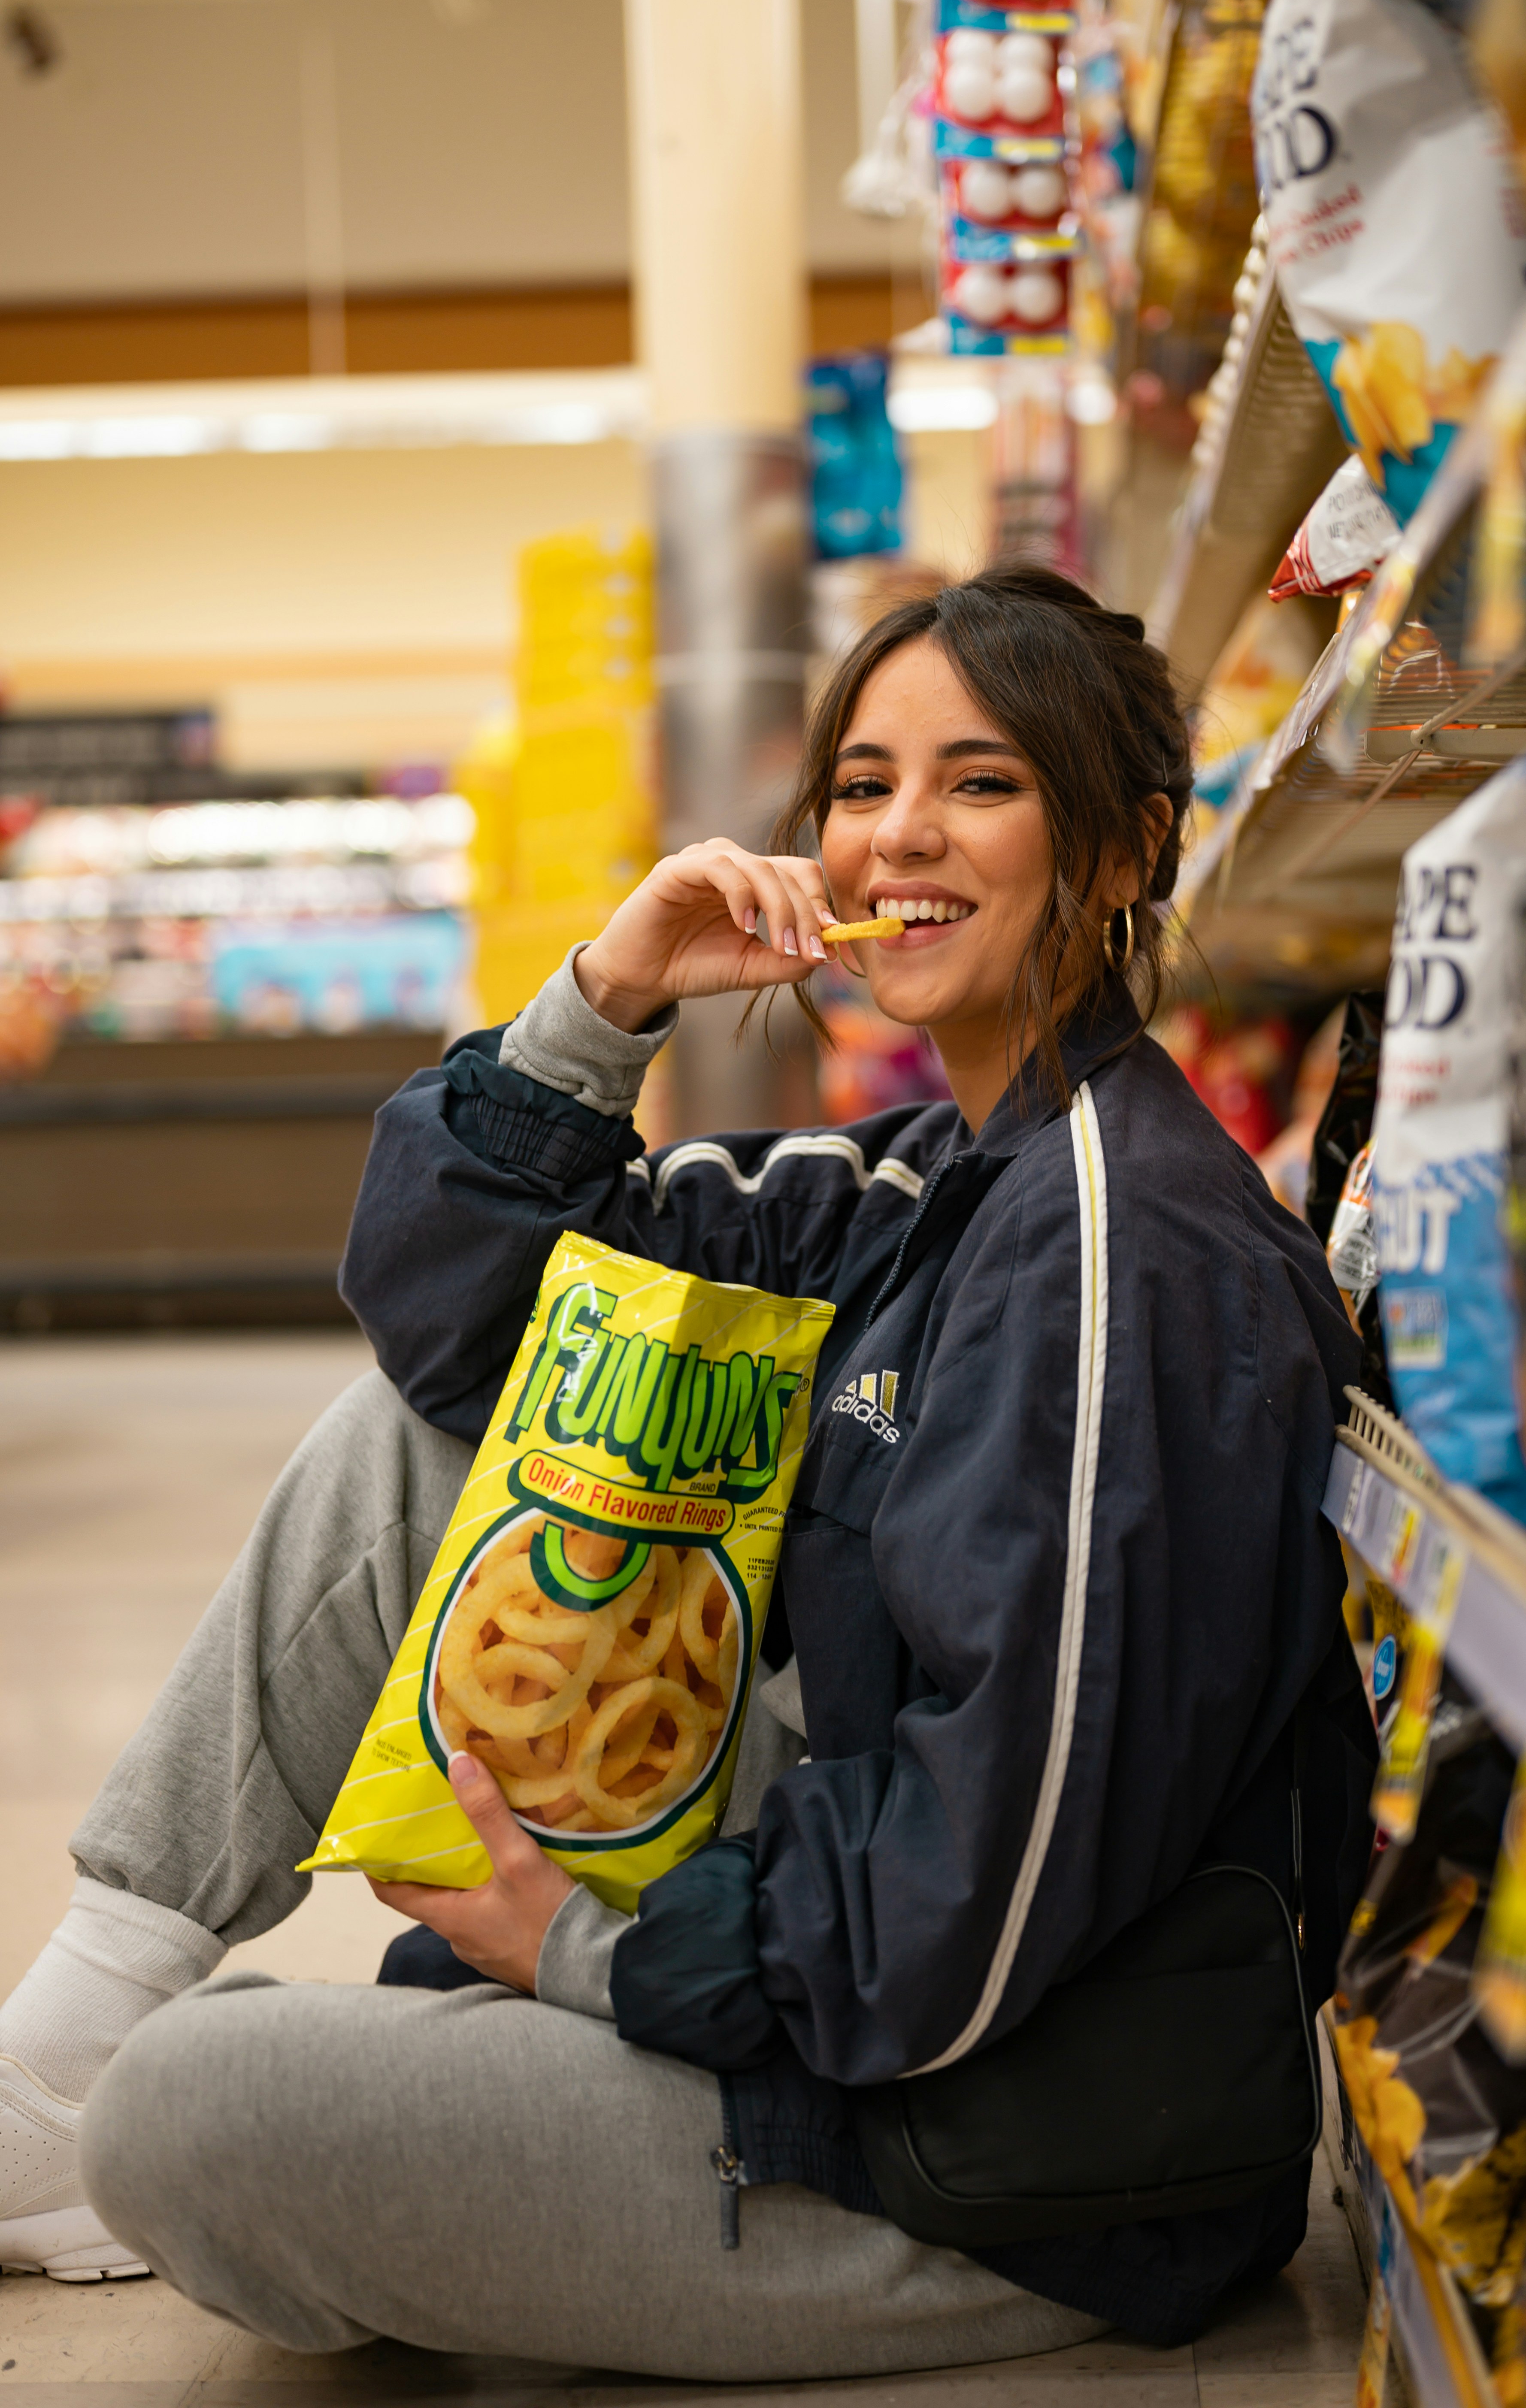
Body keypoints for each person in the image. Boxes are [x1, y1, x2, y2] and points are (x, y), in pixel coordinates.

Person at [0, 564, 1375, 2377]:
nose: (903, 835)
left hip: (1003, 2167)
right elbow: (466, 1339)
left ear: (1122, 854)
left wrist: (581, 1954)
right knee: (413, 1443)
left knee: (192, 2122)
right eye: (865, 786)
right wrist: (609, 992)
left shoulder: (1124, 1253)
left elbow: (999, 1877)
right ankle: (62, 2059)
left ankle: (123, 2096)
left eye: (981, 783)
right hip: (855, 2011)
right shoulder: (921, 1183)